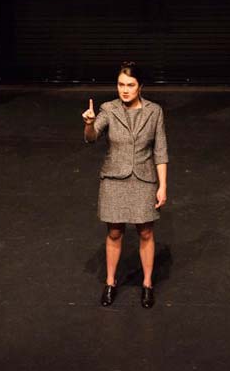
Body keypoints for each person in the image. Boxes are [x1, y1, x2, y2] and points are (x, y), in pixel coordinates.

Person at [82, 62, 168, 309]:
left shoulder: (154, 111)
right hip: (114, 180)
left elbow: (160, 151)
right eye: (121, 84)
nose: (125, 89)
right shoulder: (108, 109)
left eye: (130, 85)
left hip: (143, 179)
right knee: (114, 233)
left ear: (140, 87)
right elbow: (91, 137)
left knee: (146, 232)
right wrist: (89, 123)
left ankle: (147, 284)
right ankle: (110, 282)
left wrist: (162, 186)